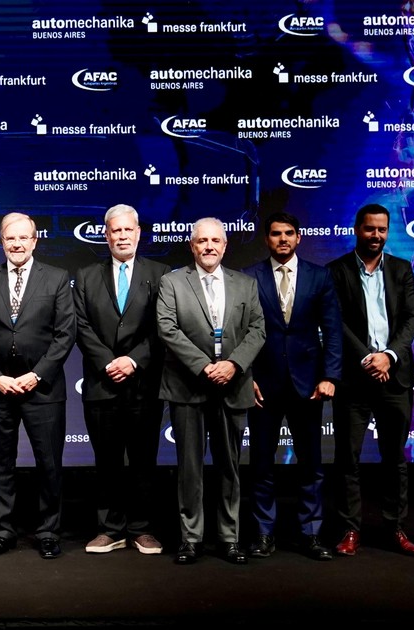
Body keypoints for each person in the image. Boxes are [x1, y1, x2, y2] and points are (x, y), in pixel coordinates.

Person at [157, 217, 265, 565]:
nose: (209, 246)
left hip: (233, 385)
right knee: (190, 468)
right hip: (188, 386)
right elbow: (167, 328)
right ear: (192, 246)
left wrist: (233, 365)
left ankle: (229, 538)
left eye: (215, 241)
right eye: (202, 241)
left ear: (225, 245)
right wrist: (204, 366)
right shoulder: (172, 282)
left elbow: (258, 330)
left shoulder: (245, 284)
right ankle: (191, 538)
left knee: (230, 467)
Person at [0, 212, 76, 560]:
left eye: (23, 238)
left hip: (42, 388)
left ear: (34, 240)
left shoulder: (56, 278)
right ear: (2, 241)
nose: (16, 244)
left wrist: (37, 374)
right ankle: (2, 531)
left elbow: (65, 334)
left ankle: (48, 531)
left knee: (49, 463)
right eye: (10, 238)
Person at [326, 204, 414, 557]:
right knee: (348, 459)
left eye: (382, 229)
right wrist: (369, 358)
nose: (376, 235)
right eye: (370, 229)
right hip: (354, 379)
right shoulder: (336, 270)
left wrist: (389, 356)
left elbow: (411, 319)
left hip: (395, 377)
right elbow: (335, 321)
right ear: (357, 229)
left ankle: (395, 528)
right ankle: (350, 530)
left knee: (394, 458)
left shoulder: (401, 269)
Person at [244, 211, 342, 562]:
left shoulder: (320, 276)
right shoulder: (249, 276)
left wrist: (330, 376)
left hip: (309, 384)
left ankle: (311, 534)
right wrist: (247, 377)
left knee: (311, 464)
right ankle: (263, 533)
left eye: (288, 233)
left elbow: (333, 330)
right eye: (275, 233)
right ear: (266, 239)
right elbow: (241, 332)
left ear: (299, 237)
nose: (282, 239)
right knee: (261, 464)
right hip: (263, 384)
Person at [73, 204, 168, 555]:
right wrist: (107, 361)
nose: (123, 236)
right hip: (102, 385)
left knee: (143, 460)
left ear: (138, 233)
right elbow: (80, 326)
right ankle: (110, 529)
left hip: (143, 385)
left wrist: (133, 360)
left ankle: (142, 528)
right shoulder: (86, 276)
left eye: (128, 230)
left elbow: (163, 326)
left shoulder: (160, 273)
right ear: (106, 235)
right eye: (116, 230)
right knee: (107, 461)